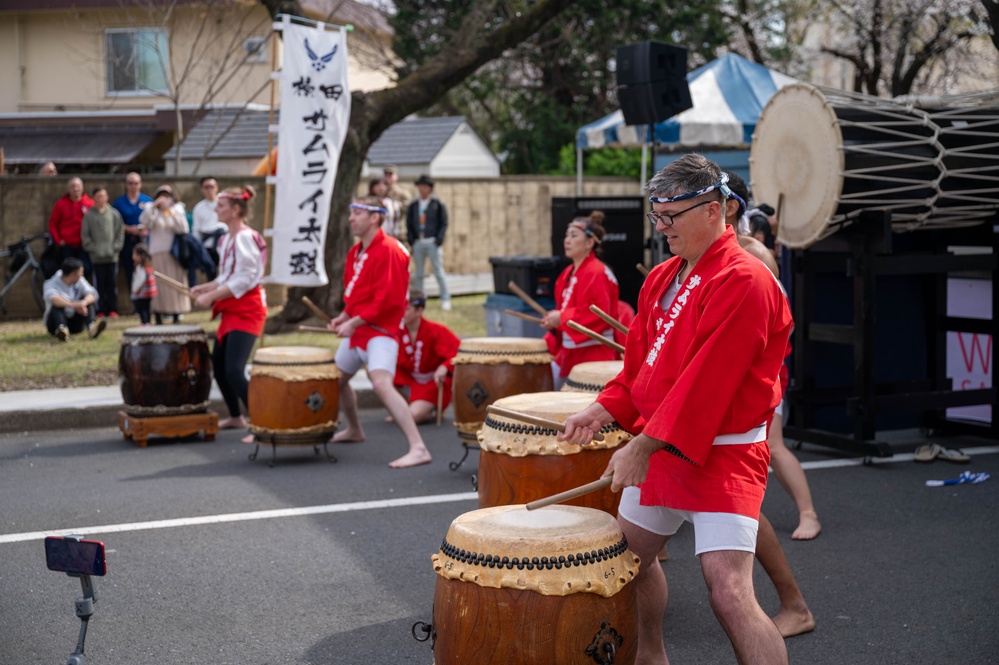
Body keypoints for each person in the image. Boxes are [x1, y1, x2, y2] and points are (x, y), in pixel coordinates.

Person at [560, 154, 792, 664]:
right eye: (655, 216)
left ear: (715, 211)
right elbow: (642, 370)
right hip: (664, 445)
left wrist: (643, 443)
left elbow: (707, 382)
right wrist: (602, 410)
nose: (661, 227)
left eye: (671, 216)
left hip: (723, 453)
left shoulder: (746, 280)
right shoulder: (663, 276)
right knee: (627, 564)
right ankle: (651, 656)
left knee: (729, 593)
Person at [724, 172, 821, 543]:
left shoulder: (754, 258)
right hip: (733, 376)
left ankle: (808, 513)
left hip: (761, 376)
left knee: (774, 448)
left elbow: (775, 331)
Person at [327, 196, 432, 468]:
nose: (351, 218)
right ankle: (354, 429)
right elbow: (357, 297)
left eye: (357, 213)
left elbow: (390, 300)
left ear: (375, 217)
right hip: (360, 330)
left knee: (382, 384)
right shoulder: (356, 252)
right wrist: (343, 317)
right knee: (334, 380)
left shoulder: (391, 250)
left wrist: (353, 322)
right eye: (351, 212)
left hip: (381, 332)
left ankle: (418, 447)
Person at [191, 186, 268, 432]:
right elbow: (227, 275)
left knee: (234, 370)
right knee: (220, 366)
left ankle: (263, 422)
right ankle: (236, 416)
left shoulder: (245, 237)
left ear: (236, 210)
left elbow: (245, 279)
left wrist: (212, 295)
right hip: (233, 309)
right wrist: (205, 288)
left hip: (248, 309)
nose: (216, 209)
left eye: (221, 206)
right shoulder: (226, 238)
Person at [540, 210, 620, 388]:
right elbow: (564, 312)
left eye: (574, 235)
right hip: (570, 352)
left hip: (594, 354)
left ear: (590, 242)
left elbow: (600, 314)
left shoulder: (597, 272)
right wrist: (554, 323)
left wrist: (562, 318)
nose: (567, 240)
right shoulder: (566, 274)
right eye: (566, 235)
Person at [394, 288, 461, 424]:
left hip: (432, 383)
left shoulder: (436, 331)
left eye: (406, 309)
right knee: (380, 373)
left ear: (419, 311)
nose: (402, 313)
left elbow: (459, 352)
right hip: (410, 380)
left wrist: (444, 367)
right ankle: (405, 408)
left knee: (411, 417)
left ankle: (418, 410)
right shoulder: (398, 332)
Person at [140, 184, 190, 325]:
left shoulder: (177, 209)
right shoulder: (151, 209)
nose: (164, 199)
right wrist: (154, 207)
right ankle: (158, 314)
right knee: (159, 286)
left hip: (173, 253)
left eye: (167, 196)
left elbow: (183, 229)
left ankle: (176, 314)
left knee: (174, 284)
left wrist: (170, 211)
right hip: (157, 252)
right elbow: (145, 223)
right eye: (162, 195)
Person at [405, 174, 451, 311]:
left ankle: (445, 298)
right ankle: (418, 299)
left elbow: (443, 223)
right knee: (418, 274)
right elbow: (409, 223)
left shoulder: (437, 204)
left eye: (425, 186)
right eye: (420, 186)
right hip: (418, 242)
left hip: (432, 242)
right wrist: (412, 239)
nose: (422, 189)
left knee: (438, 271)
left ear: (430, 188)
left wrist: (438, 239)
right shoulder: (413, 205)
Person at [81, 186, 125, 319]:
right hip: (96, 258)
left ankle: (113, 309)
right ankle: (100, 309)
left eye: (104, 196)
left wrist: (115, 248)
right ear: (94, 198)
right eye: (98, 196)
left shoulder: (114, 214)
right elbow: (85, 236)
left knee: (112, 284)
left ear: (107, 197)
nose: (102, 199)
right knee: (98, 285)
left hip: (112, 257)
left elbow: (120, 233)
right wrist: (93, 249)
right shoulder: (89, 216)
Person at [42, 257, 107, 342]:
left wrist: (83, 303)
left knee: (87, 300)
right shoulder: (50, 283)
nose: (82, 274)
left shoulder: (79, 280)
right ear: (73, 274)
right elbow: (54, 299)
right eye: (81, 272)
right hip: (54, 324)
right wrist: (73, 305)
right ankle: (62, 330)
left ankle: (92, 327)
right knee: (57, 304)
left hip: (75, 324)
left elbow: (92, 294)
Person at [113, 172, 153, 294]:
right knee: (131, 271)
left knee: (147, 270)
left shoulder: (148, 201)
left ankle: (148, 298)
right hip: (128, 241)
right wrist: (129, 229)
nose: (133, 186)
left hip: (145, 241)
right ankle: (135, 301)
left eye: (136, 183)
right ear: (126, 185)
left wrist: (145, 228)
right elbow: (115, 223)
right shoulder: (119, 203)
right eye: (130, 183)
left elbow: (154, 220)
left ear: (140, 184)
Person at [48, 177, 94, 278]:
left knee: (86, 269)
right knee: (68, 271)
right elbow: (53, 224)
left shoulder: (90, 203)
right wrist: (58, 240)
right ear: (68, 189)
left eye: (78, 186)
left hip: (84, 245)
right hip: (67, 245)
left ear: (82, 187)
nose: (76, 189)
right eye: (73, 186)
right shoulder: (61, 204)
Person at [192, 176, 226, 273]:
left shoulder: (224, 202)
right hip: (207, 245)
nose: (209, 190)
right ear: (202, 189)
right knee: (210, 273)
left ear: (217, 187)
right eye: (206, 187)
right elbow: (196, 230)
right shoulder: (199, 208)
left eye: (212, 186)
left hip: (223, 242)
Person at [130, 244, 157, 326]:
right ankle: (147, 322)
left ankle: (145, 322)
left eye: (134, 253)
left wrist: (135, 289)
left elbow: (140, 280)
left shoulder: (140, 267)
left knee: (142, 308)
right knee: (147, 308)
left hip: (142, 292)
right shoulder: (148, 265)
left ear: (138, 256)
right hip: (148, 292)